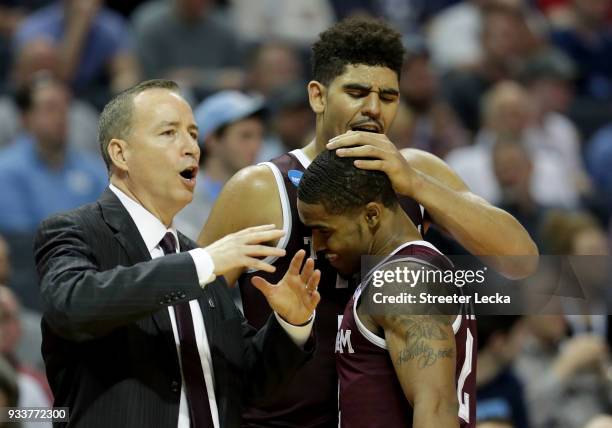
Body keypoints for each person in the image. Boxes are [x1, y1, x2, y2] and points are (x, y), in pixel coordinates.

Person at [199, 17, 537, 427]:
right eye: (357, 93)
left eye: (388, 96)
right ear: (318, 96)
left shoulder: (415, 173)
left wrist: (417, 184)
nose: (374, 109)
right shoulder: (260, 187)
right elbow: (192, 313)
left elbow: (522, 263)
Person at [33, 79, 321, 428]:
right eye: (169, 133)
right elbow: (71, 305)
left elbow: (251, 384)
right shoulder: (75, 230)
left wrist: (291, 322)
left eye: (193, 134)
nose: (191, 148)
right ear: (121, 153)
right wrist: (205, 263)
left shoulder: (197, 256)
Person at [297, 149, 477, 427]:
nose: (318, 246)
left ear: (371, 215)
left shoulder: (402, 279)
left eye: (325, 231)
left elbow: (436, 408)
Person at [175, 90, 266, 240]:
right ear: (212, 140)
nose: (255, 146)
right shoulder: (182, 197)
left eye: (259, 136)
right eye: (245, 136)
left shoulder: (262, 193)